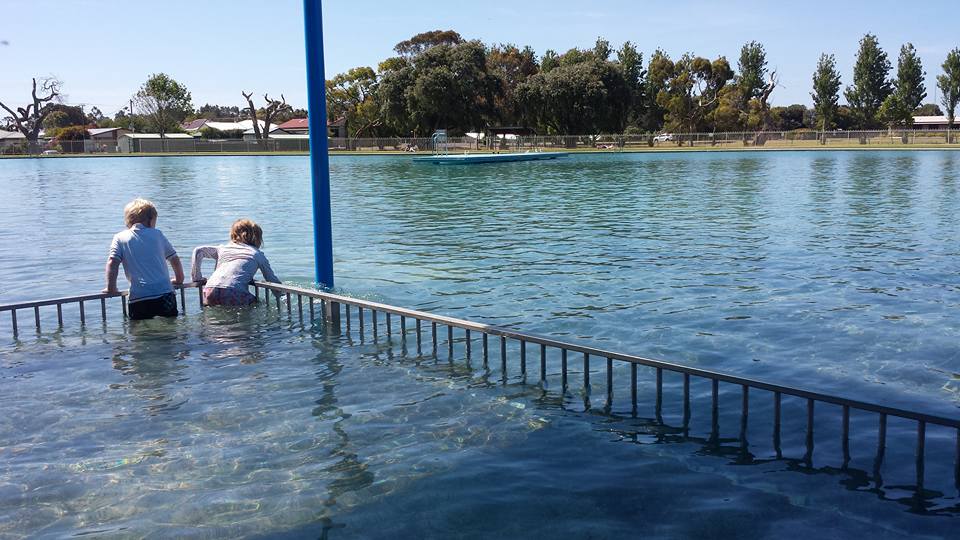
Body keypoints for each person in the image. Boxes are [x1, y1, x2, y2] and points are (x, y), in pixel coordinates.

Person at [103, 198, 184, 320]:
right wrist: (179, 279)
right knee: (170, 331)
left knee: (141, 334)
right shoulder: (157, 234)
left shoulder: (120, 238)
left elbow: (112, 262)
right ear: (150, 220)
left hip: (139, 297)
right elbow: (174, 259)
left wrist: (111, 288)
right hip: (165, 294)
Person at [190, 219, 280, 306]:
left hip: (209, 290)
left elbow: (198, 251)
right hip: (234, 292)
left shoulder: (223, 249)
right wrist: (282, 297)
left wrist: (197, 278)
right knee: (258, 304)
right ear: (257, 238)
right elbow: (271, 279)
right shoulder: (256, 254)